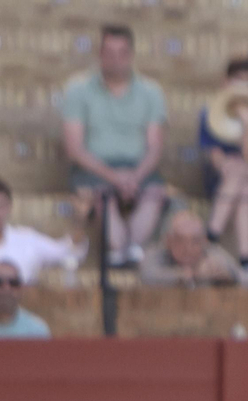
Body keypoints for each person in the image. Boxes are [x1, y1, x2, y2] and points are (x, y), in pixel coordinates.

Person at [61, 25, 169, 267]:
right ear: (100, 54)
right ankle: (117, 248)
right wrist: (114, 177)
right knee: (102, 194)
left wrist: (134, 177)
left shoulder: (152, 91)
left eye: (122, 53)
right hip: (93, 168)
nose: (115, 59)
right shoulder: (77, 89)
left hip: (139, 168)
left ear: (131, 55)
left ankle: (134, 248)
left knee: (155, 193)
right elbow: (74, 149)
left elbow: (155, 148)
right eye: (109, 52)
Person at [199, 58, 248, 285]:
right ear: (226, 82)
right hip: (223, 178)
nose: (243, 85)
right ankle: (246, 260)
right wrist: (231, 166)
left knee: (244, 174)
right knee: (244, 185)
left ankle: (210, 238)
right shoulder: (210, 111)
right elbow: (216, 158)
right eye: (238, 79)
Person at [139, 209, 241, 286]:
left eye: (195, 241)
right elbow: (146, 275)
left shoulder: (211, 251)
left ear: (204, 241)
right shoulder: (158, 251)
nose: (188, 248)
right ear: (169, 241)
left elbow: (243, 278)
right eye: (180, 240)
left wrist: (226, 277)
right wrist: (189, 275)